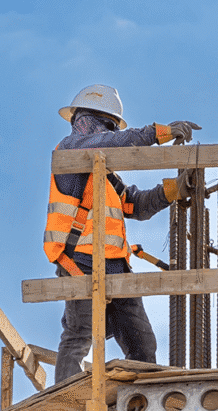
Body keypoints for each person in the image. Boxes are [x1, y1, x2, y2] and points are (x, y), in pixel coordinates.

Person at [43, 84, 200, 383]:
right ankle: (64, 396)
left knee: (143, 345)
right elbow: (108, 142)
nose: (90, 129)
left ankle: (140, 397)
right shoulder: (69, 150)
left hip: (117, 265)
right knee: (79, 335)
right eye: (94, 123)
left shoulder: (103, 175)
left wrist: (172, 191)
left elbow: (135, 204)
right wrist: (157, 133)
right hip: (79, 262)